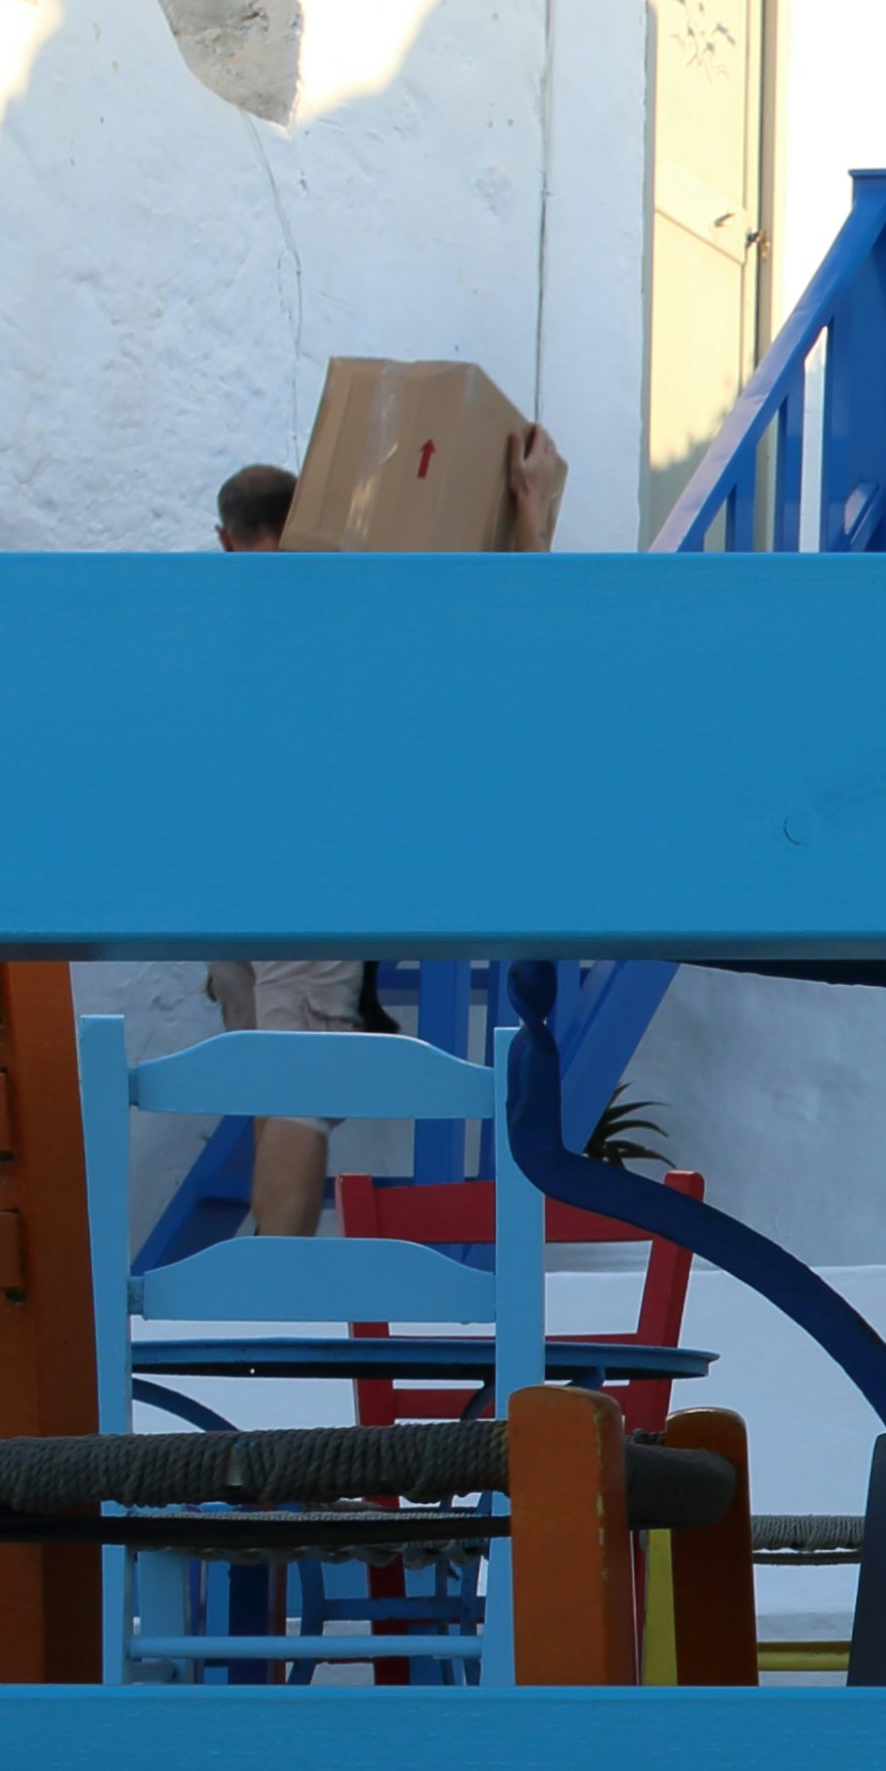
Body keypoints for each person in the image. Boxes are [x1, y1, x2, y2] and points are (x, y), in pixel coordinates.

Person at [199, 427, 568, 1233]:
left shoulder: (211, 622)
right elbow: (494, 657)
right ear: (310, 524)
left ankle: (269, 1284)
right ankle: (279, 1308)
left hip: (219, 871)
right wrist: (531, 516)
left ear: (224, 539)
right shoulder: (339, 613)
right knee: (298, 1086)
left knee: (273, 1077)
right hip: (307, 868)